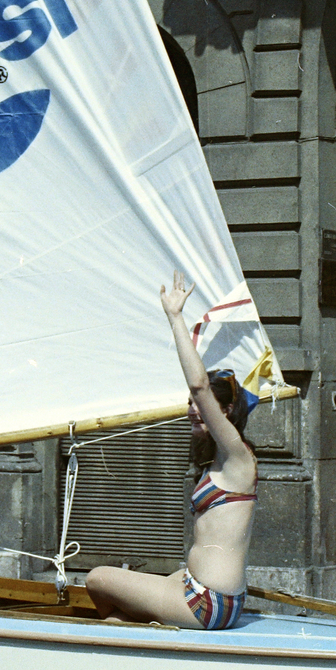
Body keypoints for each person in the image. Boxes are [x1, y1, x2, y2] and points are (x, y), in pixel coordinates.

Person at [86, 270, 256, 630]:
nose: (191, 410)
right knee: (130, 596)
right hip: (207, 594)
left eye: (201, 408)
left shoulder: (238, 455)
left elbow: (198, 386)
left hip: (206, 603)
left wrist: (175, 317)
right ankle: (140, 634)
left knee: (97, 579)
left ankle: (140, 640)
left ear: (224, 412)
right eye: (191, 406)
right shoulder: (223, 460)